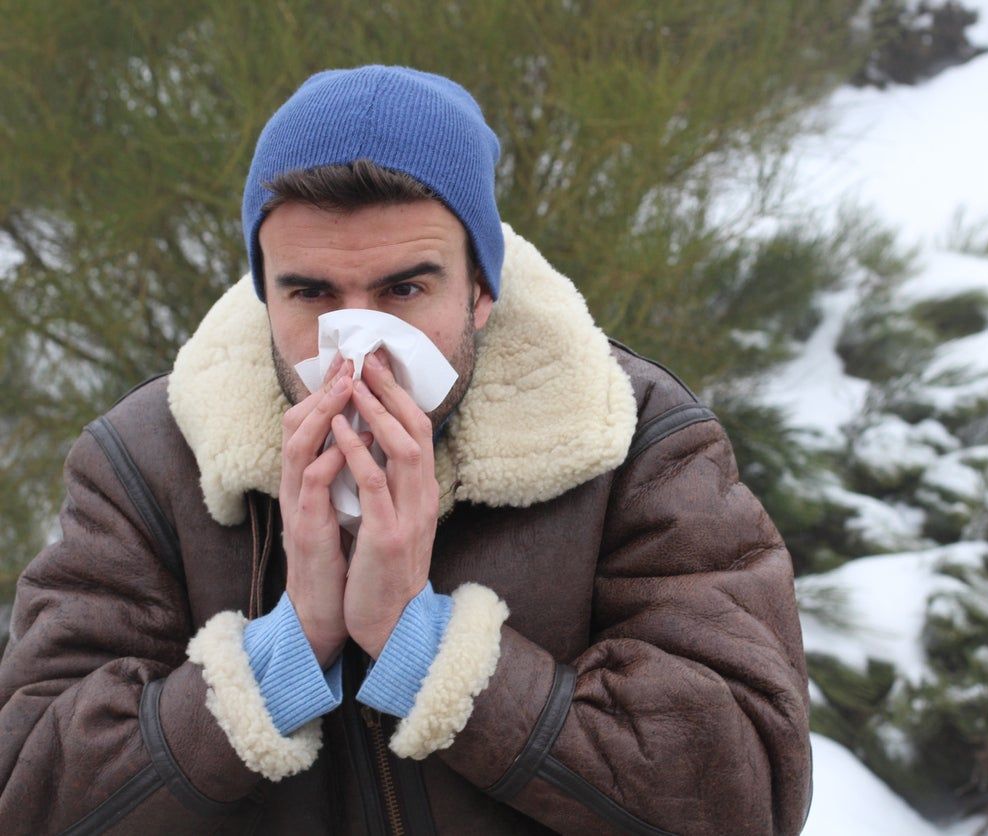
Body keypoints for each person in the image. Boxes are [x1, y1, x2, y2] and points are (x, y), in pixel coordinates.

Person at [0, 66, 811, 835]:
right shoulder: (146, 464)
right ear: (263, 292)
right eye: (312, 293)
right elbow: (30, 789)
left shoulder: (632, 444)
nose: (359, 349)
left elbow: (746, 792)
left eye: (406, 290)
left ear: (482, 290)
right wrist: (285, 650)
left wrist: (422, 646)